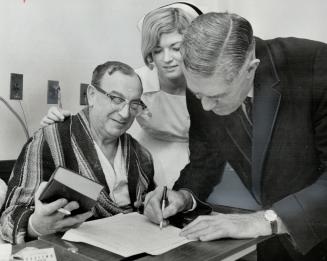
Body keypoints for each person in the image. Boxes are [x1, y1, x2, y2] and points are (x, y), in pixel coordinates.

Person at [144, 12, 327, 260]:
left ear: (250, 69)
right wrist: (183, 197)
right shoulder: (203, 86)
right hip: (275, 245)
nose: (206, 107)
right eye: (198, 95)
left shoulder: (317, 66)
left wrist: (263, 221)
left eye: (217, 97)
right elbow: (205, 160)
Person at [41, 3, 202, 188]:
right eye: (157, 50)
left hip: (198, 158)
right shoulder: (138, 81)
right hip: (149, 157)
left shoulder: (208, 85)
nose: (166, 59)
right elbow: (99, 112)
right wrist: (61, 123)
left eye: (176, 48)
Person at [0, 61, 155, 244]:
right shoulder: (51, 139)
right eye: (116, 99)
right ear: (91, 95)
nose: (125, 113)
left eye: (134, 104)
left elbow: (149, 207)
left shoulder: (141, 155)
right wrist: (35, 225)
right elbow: (9, 218)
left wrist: (156, 206)